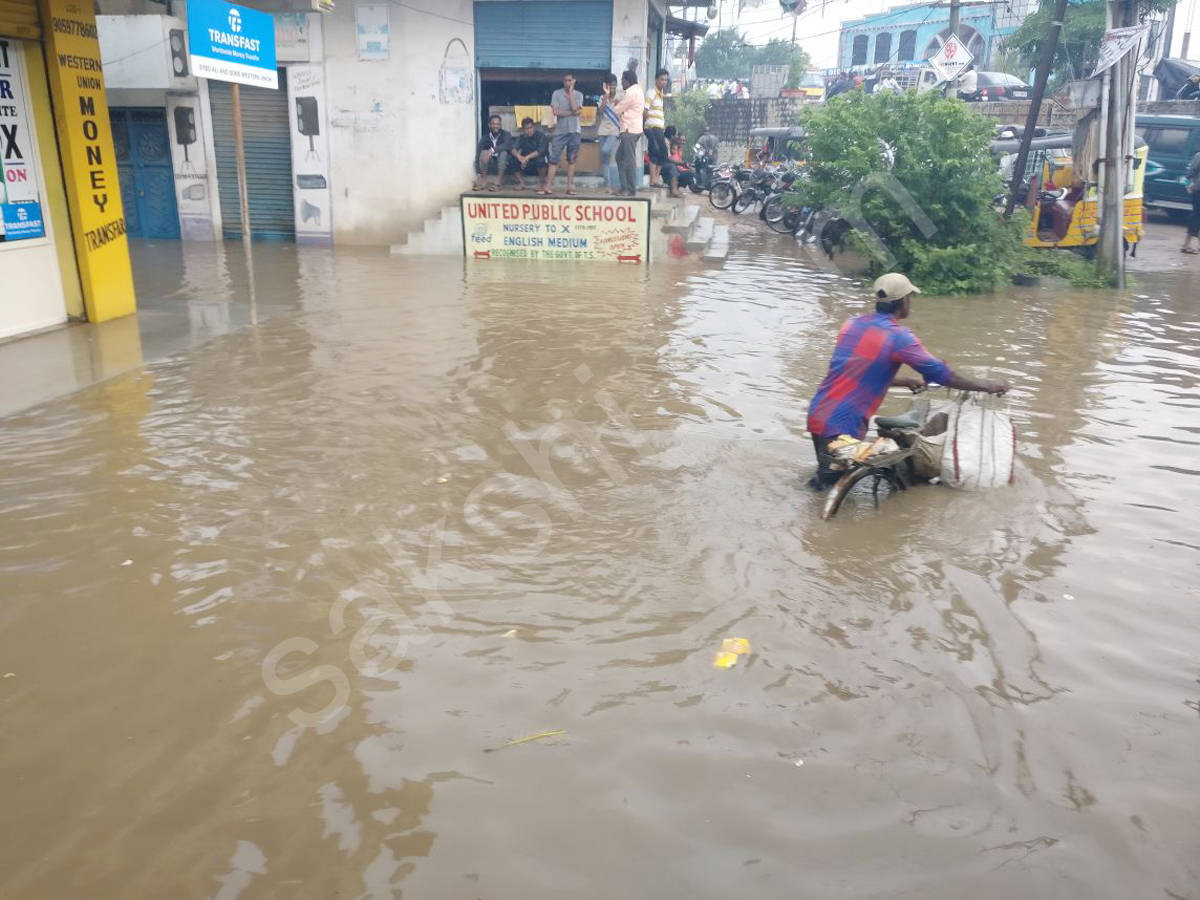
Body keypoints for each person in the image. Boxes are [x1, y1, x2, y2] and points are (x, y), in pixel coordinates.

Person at [806, 273, 1010, 489]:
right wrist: (988, 386)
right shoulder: (899, 337)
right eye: (910, 298)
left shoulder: (852, 324)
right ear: (904, 302)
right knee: (832, 488)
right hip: (843, 423)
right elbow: (942, 375)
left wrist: (905, 381)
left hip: (819, 412)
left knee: (824, 481)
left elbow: (856, 373)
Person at [543, 72, 583, 195]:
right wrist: (572, 112)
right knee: (553, 159)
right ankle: (547, 186)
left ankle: (570, 187)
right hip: (559, 132)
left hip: (574, 131)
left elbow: (576, 108)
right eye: (565, 80)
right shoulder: (556, 93)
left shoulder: (578, 94)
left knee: (572, 160)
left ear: (574, 81)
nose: (567, 82)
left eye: (570, 80)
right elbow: (556, 111)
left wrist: (571, 93)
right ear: (563, 81)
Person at [613, 69, 645, 196]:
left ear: (627, 80)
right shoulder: (639, 90)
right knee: (620, 157)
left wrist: (616, 104)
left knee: (628, 159)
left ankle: (630, 189)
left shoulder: (630, 92)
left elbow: (617, 110)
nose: (621, 82)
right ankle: (625, 187)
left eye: (622, 80)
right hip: (634, 129)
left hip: (629, 129)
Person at [644, 67, 670, 189]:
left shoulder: (661, 94)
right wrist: (644, 125)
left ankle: (655, 178)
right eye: (662, 79)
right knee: (655, 151)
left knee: (662, 152)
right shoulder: (651, 92)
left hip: (659, 128)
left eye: (665, 80)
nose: (664, 82)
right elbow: (645, 110)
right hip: (651, 127)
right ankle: (653, 179)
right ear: (656, 80)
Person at [597, 73, 622, 194]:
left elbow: (622, 114)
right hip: (602, 130)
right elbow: (600, 112)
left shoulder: (621, 97)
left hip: (614, 129)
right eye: (609, 85)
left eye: (614, 85)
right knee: (605, 160)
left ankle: (611, 185)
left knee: (605, 151)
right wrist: (606, 97)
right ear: (605, 86)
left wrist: (618, 105)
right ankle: (608, 185)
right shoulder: (602, 98)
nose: (612, 87)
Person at [474, 116, 514, 191]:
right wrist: (479, 174)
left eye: (498, 124)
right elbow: (478, 154)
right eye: (494, 124)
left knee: (503, 153)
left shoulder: (506, 134)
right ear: (489, 125)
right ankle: (484, 181)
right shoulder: (485, 137)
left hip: (505, 165)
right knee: (483, 153)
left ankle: (498, 182)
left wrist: (492, 150)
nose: (496, 126)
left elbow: (507, 145)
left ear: (500, 125)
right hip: (490, 165)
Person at [511, 117, 549, 191]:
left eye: (530, 128)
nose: (529, 130)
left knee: (541, 159)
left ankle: (541, 183)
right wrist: (520, 158)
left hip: (541, 165)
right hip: (526, 164)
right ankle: (521, 183)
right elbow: (513, 149)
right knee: (511, 159)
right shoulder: (521, 138)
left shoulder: (541, 136)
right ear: (523, 129)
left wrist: (527, 157)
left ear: (533, 127)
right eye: (526, 128)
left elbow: (540, 151)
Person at [1183, 148, 1200, 254]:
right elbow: (1190, 173)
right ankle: (1186, 245)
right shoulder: (1199, 156)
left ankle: (1196, 245)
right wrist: (1189, 185)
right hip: (1198, 190)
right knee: (1196, 216)